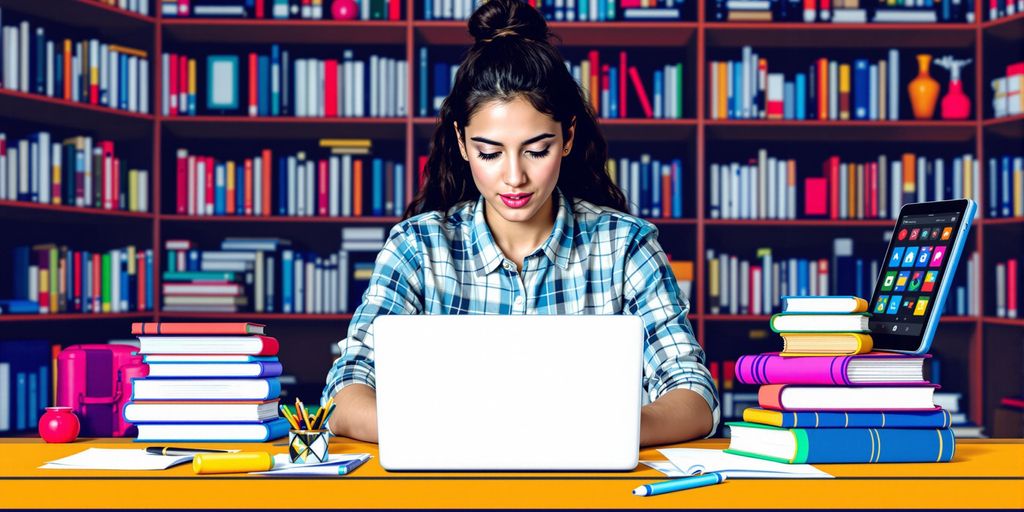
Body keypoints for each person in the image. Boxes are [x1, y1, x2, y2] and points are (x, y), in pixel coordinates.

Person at [323, 0, 719, 447]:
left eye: (537, 149)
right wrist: (456, 435)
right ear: (462, 142)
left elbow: (694, 394)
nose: (515, 177)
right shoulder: (418, 248)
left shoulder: (625, 245)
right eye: (490, 153)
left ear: (568, 137)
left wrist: (603, 432)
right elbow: (345, 389)